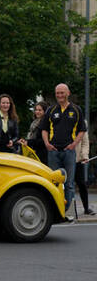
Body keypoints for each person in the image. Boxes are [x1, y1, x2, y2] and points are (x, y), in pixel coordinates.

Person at [41, 83, 86, 211]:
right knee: (54, 182)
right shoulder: (50, 110)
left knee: (70, 184)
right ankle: (56, 211)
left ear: (68, 93)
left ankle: (69, 212)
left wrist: (74, 144)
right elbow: (44, 129)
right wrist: (47, 144)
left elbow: (82, 130)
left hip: (69, 152)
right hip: (53, 152)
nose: (59, 95)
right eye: (57, 93)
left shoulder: (76, 109)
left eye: (62, 93)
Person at [75, 127, 95, 215]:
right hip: (64, 159)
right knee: (65, 185)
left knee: (82, 184)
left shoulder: (82, 124)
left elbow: (85, 143)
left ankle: (86, 208)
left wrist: (85, 156)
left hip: (77, 160)